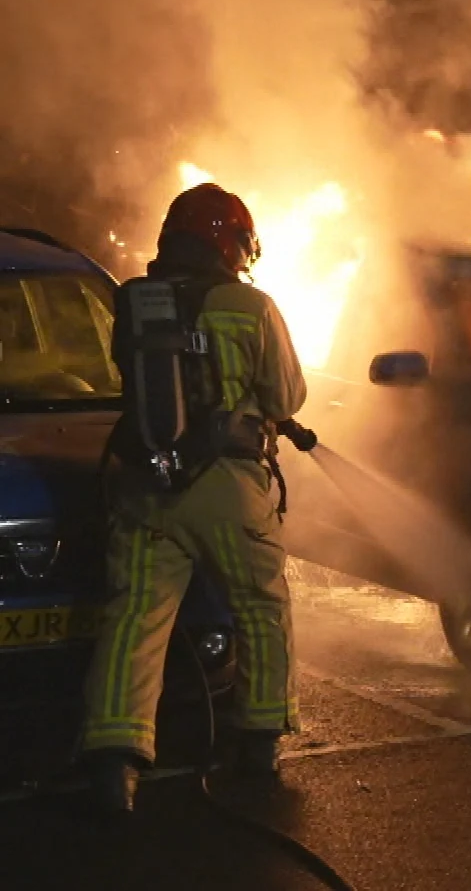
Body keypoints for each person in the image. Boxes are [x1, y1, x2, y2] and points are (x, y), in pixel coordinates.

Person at [80, 183, 313, 814]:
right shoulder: (251, 306)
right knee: (262, 609)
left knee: (134, 621)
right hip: (228, 488)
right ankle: (258, 748)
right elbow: (288, 396)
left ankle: (115, 767)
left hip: (147, 484)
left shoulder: (134, 301)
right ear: (229, 241)